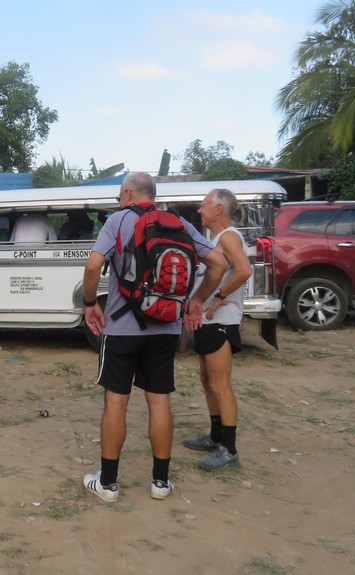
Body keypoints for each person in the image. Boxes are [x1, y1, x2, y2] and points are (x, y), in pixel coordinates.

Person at [80, 172, 227, 503]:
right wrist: (197, 300)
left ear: (128, 193)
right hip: (166, 328)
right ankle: (161, 482)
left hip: (122, 328)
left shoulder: (118, 221)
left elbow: (92, 267)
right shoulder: (179, 224)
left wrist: (90, 304)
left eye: (120, 195)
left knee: (116, 400)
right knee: (159, 400)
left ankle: (108, 483)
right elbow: (218, 263)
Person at [183, 189, 252, 469]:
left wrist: (220, 297)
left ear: (219, 209)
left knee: (220, 384)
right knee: (207, 380)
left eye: (203, 206)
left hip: (221, 320)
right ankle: (215, 437)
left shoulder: (229, 237)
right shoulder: (216, 239)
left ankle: (229, 450)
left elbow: (244, 269)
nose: (200, 211)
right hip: (207, 321)